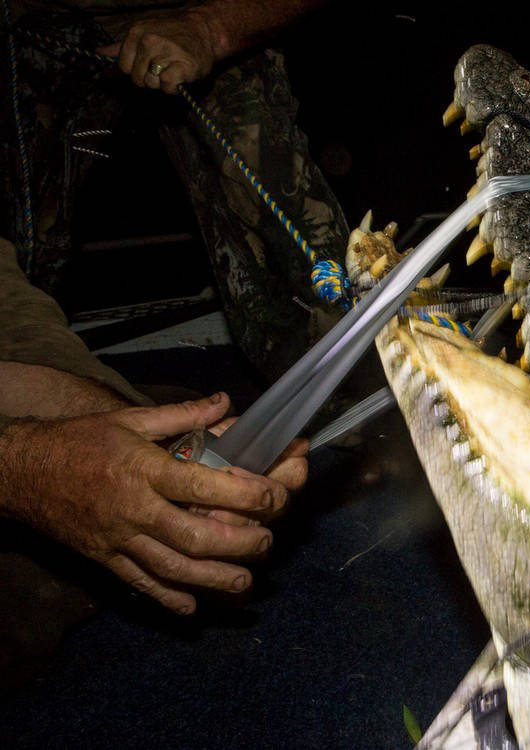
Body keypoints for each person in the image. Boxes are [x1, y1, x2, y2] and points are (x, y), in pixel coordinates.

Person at [0, 0, 349, 621]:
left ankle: (357, 413)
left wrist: (212, 26)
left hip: (197, 15)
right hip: (29, 41)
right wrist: (33, 467)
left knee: (304, 251)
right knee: (44, 594)